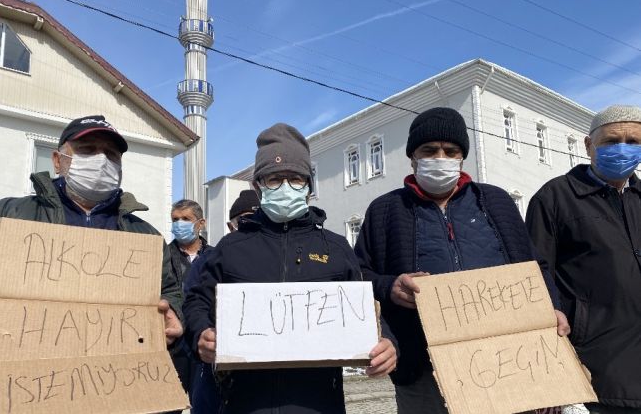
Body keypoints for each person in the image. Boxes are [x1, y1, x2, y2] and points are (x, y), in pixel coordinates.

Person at [0, 115, 184, 412]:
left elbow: (170, 293)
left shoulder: (146, 236)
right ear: (58, 160)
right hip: (18, 393)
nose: (101, 160)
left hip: (116, 393)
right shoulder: (0, 217)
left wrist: (172, 316)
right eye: (88, 150)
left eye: (111, 154)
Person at [354, 107, 569, 414]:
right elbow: (360, 275)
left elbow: (534, 268)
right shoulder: (385, 211)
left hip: (508, 363)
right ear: (412, 157)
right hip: (424, 371)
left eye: (450, 151)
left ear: (462, 157)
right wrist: (390, 286)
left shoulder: (496, 202)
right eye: (429, 150)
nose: (440, 157)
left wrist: (552, 309)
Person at [184, 123, 398, 414]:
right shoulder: (231, 248)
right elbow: (197, 300)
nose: (285, 187)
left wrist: (386, 341)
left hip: (318, 403)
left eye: (296, 179)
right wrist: (200, 334)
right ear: (257, 186)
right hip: (244, 403)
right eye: (273, 179)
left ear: (309, 185)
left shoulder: (335, 249)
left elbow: (367, 308)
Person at [526, 105, 641, 414]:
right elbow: (535, 277)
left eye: (633, 142)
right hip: (596, 370)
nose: (622, 149)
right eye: (611, 141)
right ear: (589, 145)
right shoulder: (554, 198)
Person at [183, 189, 260, 414]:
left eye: (256, 219)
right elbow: (192, 304)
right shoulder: (211, 260)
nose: (249, 225)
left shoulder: (273, 260)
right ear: (230, 225)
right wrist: (201, 334)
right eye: (243, 220)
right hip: (215, 367)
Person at [167, 199, 212, 404]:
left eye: (186, 219)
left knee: (203, 401)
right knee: (168, 403)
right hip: (173, 345)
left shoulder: (215, 256)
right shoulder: (163, 256)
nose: (179, 224)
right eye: (175, 219)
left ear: (200, 223)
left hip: (202, 341)